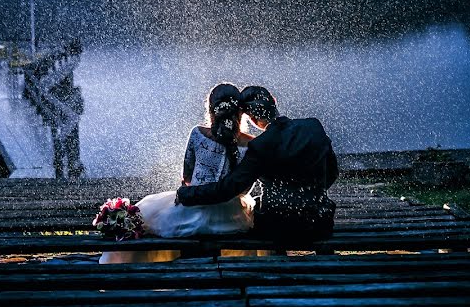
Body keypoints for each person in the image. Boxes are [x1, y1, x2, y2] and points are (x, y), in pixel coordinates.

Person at [100, 83, 255, 264]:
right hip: (231, 217)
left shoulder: (198, 134)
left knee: (150, 215)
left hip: (194, 208)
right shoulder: (251, 143)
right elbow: (244, 189)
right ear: (240, 111)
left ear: (211, 109)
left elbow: (187, 177)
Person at [176, 85, 338, 241]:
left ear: (252, 118)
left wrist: (185, 194)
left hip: (277, 228)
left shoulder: (260, 146)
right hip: (319, 224)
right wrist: (309, 194)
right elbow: (332, 173)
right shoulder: (313, 127)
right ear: (273, 101)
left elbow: (228, 189)